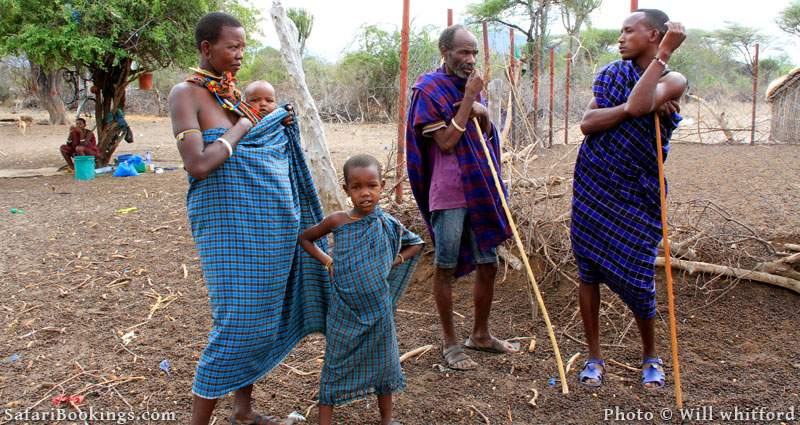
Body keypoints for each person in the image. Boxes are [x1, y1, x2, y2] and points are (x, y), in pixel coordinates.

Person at [169, 12, 328, 425]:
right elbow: (199, 165)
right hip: (226, 229)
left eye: (242, 46)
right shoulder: (185, 95)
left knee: (261, 317)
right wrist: (242, 127)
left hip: (270, 228)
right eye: (231, 47)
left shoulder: (231, 95)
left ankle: (243, 411)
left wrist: (275, 126)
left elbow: (258, 143)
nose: (240, 54)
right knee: (236, 322)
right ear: (206, 48)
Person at [571, 9, 688, 390]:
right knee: (588, 271)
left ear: (655, 35)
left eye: (628, 31)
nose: (620, 38)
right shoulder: (610, 74)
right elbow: (589, 124)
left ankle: (650, 355)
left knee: (639, 276)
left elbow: (640, 105)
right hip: (594, 184)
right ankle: (593, 356)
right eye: (619, 31)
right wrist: (626, 109)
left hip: (637, 192)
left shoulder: (673, 80)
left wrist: (664, 57)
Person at [406, 25, 517, 371]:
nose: (470, 60)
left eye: (473, 54)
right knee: (446, 264)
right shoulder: (429, 90)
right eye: (463, 53)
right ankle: (451, 342)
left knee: (489, 263)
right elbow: (447, 143)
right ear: (444, 50)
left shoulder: (470, 87)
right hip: (449, 191)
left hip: (480, 186)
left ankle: (480, 335)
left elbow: (480, 137)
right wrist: (470, 100)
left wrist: (482, 115)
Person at [299, 154, 424, 425]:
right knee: (334, 366)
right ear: (346, 191)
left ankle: (386, 420)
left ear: (382, 186)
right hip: (344, 311)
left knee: (386, 364)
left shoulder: (388, 224)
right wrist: (327, 260)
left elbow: (417, 243)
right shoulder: (337, 222)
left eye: (372, 186)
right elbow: (306, 239)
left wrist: (396, 259)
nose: (365, 193)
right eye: (356, 187)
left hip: (379, 310)